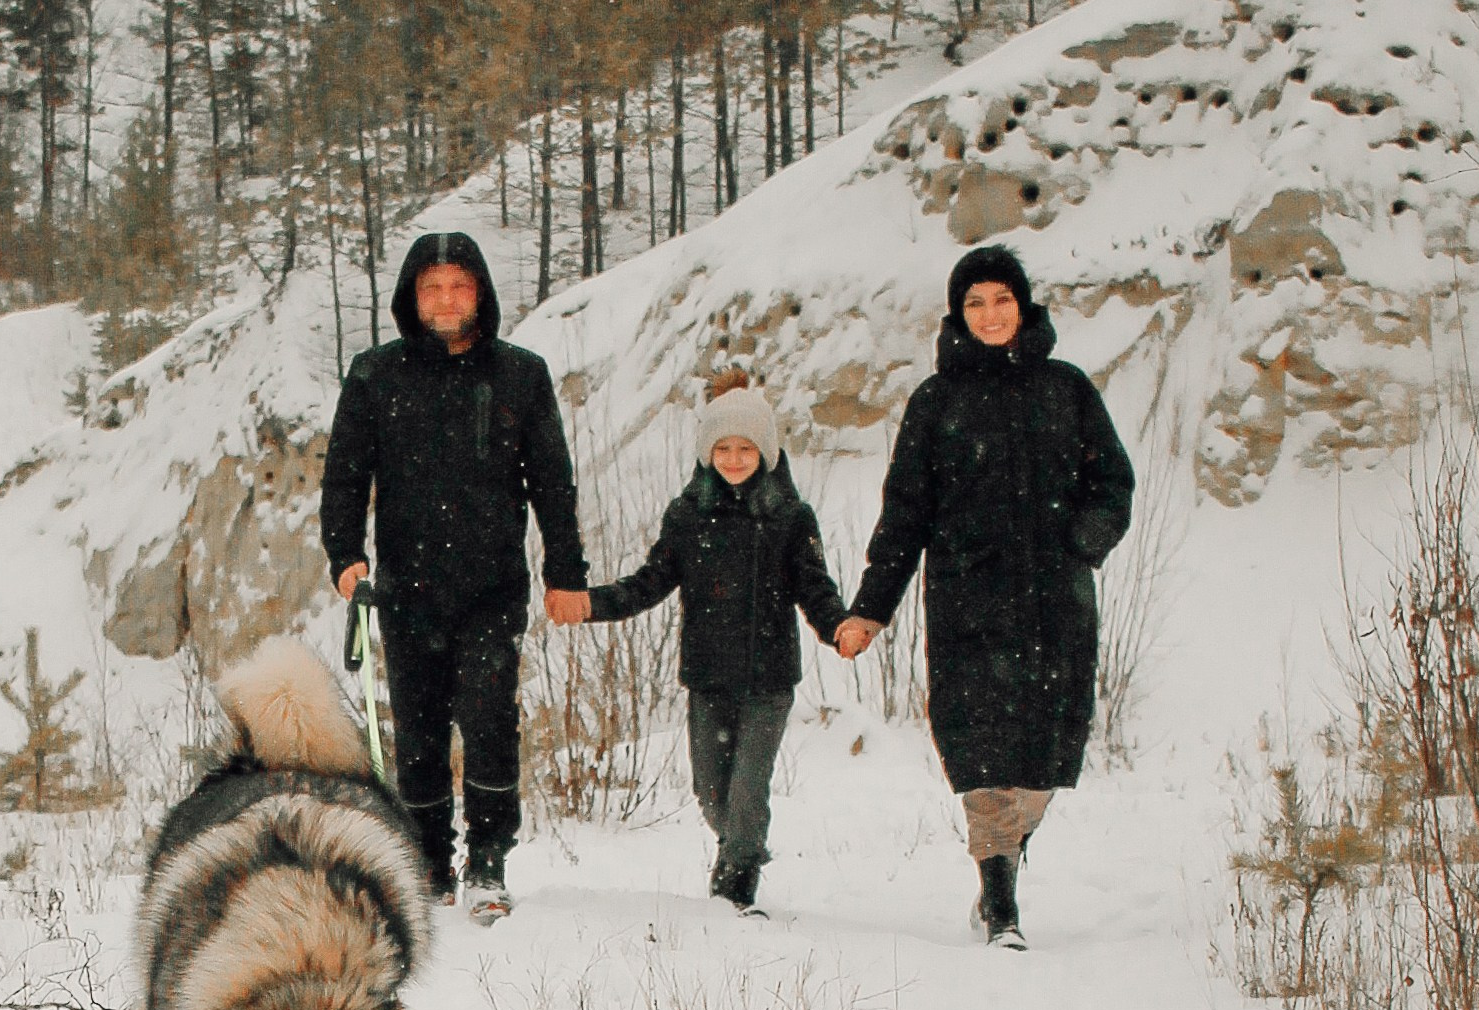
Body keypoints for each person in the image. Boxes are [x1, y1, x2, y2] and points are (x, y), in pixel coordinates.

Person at [835, 244, 1135, 949]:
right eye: (974, 303)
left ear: (1022, 306)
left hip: (1056, 604)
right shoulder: (935, 402)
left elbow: (1112, 484)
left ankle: (1005, 853)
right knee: (983, 756)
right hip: (967, 603)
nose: (990, 314)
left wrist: (1081, 543)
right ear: (957, 314)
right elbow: (904, 515)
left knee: (1043, 761)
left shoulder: (1065, 389)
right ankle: (1000, 903)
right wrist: (871, 608)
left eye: (1001, 299)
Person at [321, 228, 588, 921]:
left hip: (492, 585)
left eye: (459, 286)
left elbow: (552, 483)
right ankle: (429, 863)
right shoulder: (375, 375)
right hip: (406, 586)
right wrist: (344, 556)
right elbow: (345, 476)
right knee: (419, 732)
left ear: (480, 293)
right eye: (432, 287)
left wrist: (565, 571)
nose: (446, 299)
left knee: (490, 719)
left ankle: (488, 862)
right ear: (412, 297)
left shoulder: (520, 375)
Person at [552, 371, 845, 914]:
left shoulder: (789, 517)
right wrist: (590, 604)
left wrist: (841, 627)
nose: (734, 459)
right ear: (707, 452)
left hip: (768, 681)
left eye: (746, 448)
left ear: (766, 453)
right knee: (711, 792)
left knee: (747, 791)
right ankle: (740, 847)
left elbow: (816, 589)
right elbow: (649, 583)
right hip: (708, 678)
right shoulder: (687, 516)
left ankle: (736, 886)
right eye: (723, 448)